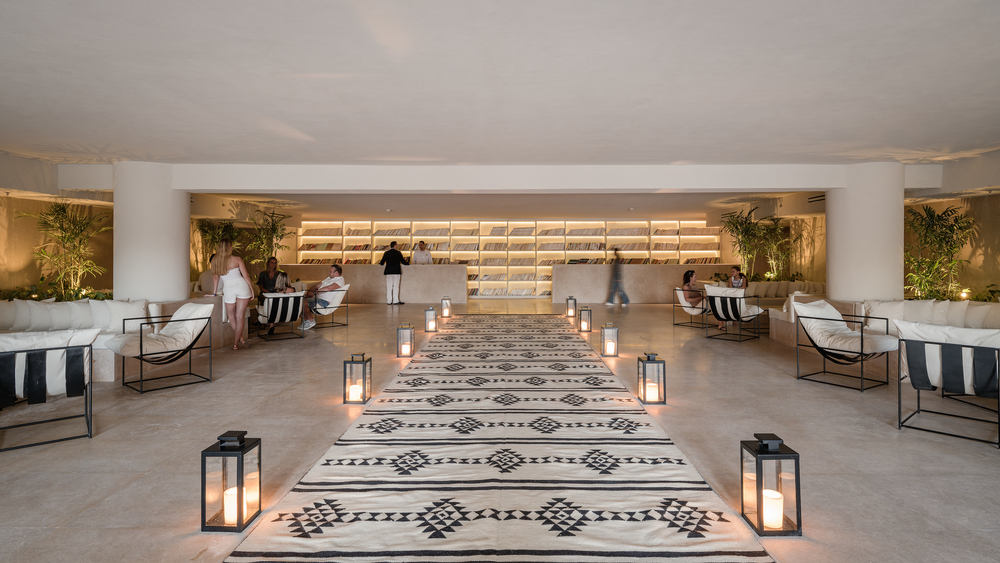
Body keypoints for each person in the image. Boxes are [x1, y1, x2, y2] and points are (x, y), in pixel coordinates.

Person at [211, 240, 255, 350]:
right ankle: (237, 342)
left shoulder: (215, 260)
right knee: (240, 316)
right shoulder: (237, 259)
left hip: (228, 289)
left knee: (231, 316)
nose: (232, 248)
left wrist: (214, 292)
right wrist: (251, 289)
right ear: (229, 247)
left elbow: (215, 277)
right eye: (231, 246)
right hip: (242, 286)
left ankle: (239, 341)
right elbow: (246, 276)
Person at [301, 264, 345, 330]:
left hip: (324, 301)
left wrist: (314, 293)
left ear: (336, 273)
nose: (329, 272)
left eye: (330, 271)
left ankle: (310, 320)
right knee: (298, 302)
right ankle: (307, 320)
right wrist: (309, 292)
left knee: (302, 302)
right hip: (316, 298)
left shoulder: (340, 280)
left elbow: (328, 288)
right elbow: (316, 286)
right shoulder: (328, 278)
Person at [262, 271, 295, 335]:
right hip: (289, 313)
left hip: (277, 313)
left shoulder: (273, 292)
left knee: (272, 307)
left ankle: (271, 326)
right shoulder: (293, 290)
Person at [379, 241, 408, 305]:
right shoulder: (398, 253)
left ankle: (389, 301)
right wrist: (408, 264)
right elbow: (403, 262)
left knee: (389, 287)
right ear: (394, 246)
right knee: (396, 286)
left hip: (388, 272)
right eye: (397, 245)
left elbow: (381, 263)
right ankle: (395, 301)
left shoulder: (386, 253)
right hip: (396, 272)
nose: (397, 246)